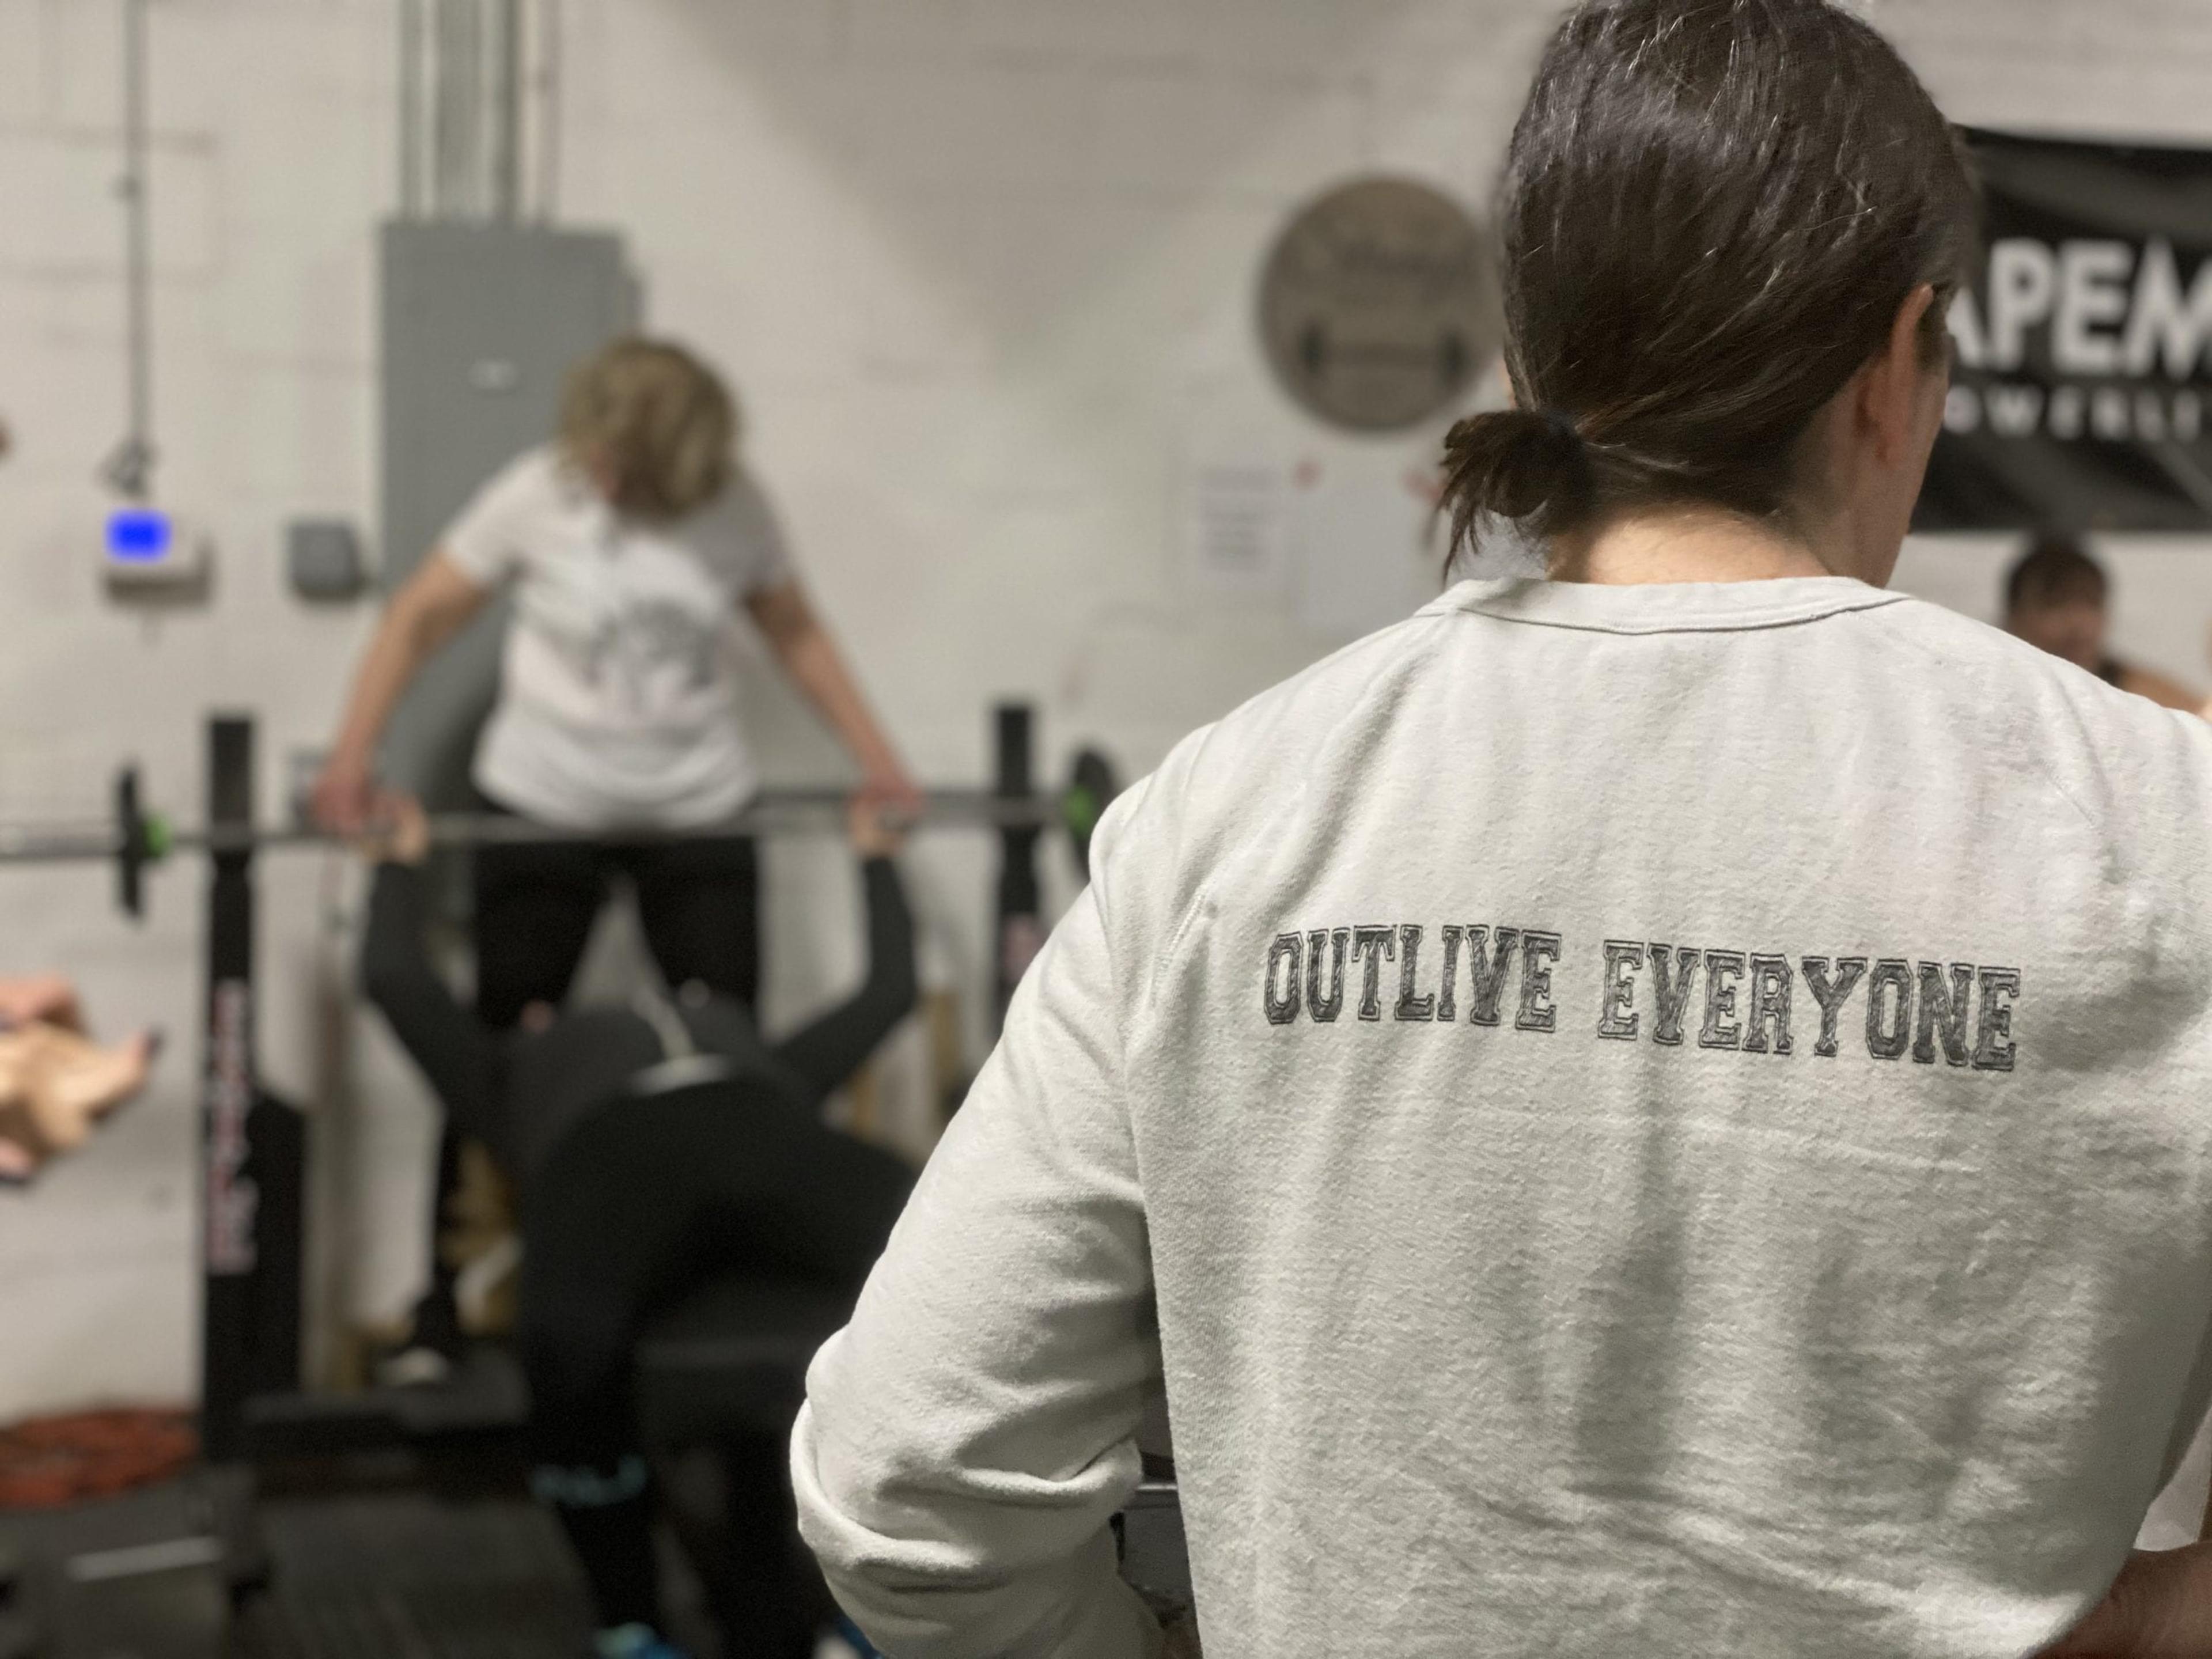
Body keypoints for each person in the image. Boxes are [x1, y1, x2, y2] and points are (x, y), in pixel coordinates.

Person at [792, 5, 2212, 1657]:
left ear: (1532, 367)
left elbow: (906, 1490)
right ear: (1896, 367)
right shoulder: (2165, 828)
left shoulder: (1235, 812)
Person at [313, 337, 919, 1368]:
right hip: (540, 807)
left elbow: (797, 635)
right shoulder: (536, 495)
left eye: (619, 466)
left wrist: (879, 762)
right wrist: (349, 760)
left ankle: (731, 1292)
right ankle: (444, 1312)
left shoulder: (735, 507)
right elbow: (418, 619)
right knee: (493, 1055)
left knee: (738, 1061)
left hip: (698, 808)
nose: (597, 476)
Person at [358, 793, 916, 1659]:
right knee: (563, 1350)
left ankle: (896, 1598)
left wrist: (875, 851)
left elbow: (888, 994)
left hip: (758, 1122)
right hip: (610, 1153)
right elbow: (395, 978)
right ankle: (630, 1621)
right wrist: (397, 859)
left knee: (944, 1248)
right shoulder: (509, 1072)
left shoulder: (758, 1054)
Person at [2003, 533, 2211, 714]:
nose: (2078, 623)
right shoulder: (1997, 688)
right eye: (2056, 603)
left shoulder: (2142, 696)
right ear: (2015, 615)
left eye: (2092, 603)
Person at [0, 976, 156, 1183]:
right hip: (47, 1109)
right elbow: (18, 1164)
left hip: (50, 1062)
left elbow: (55, 993)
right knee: (118, 1079)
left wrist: (23, 1011)